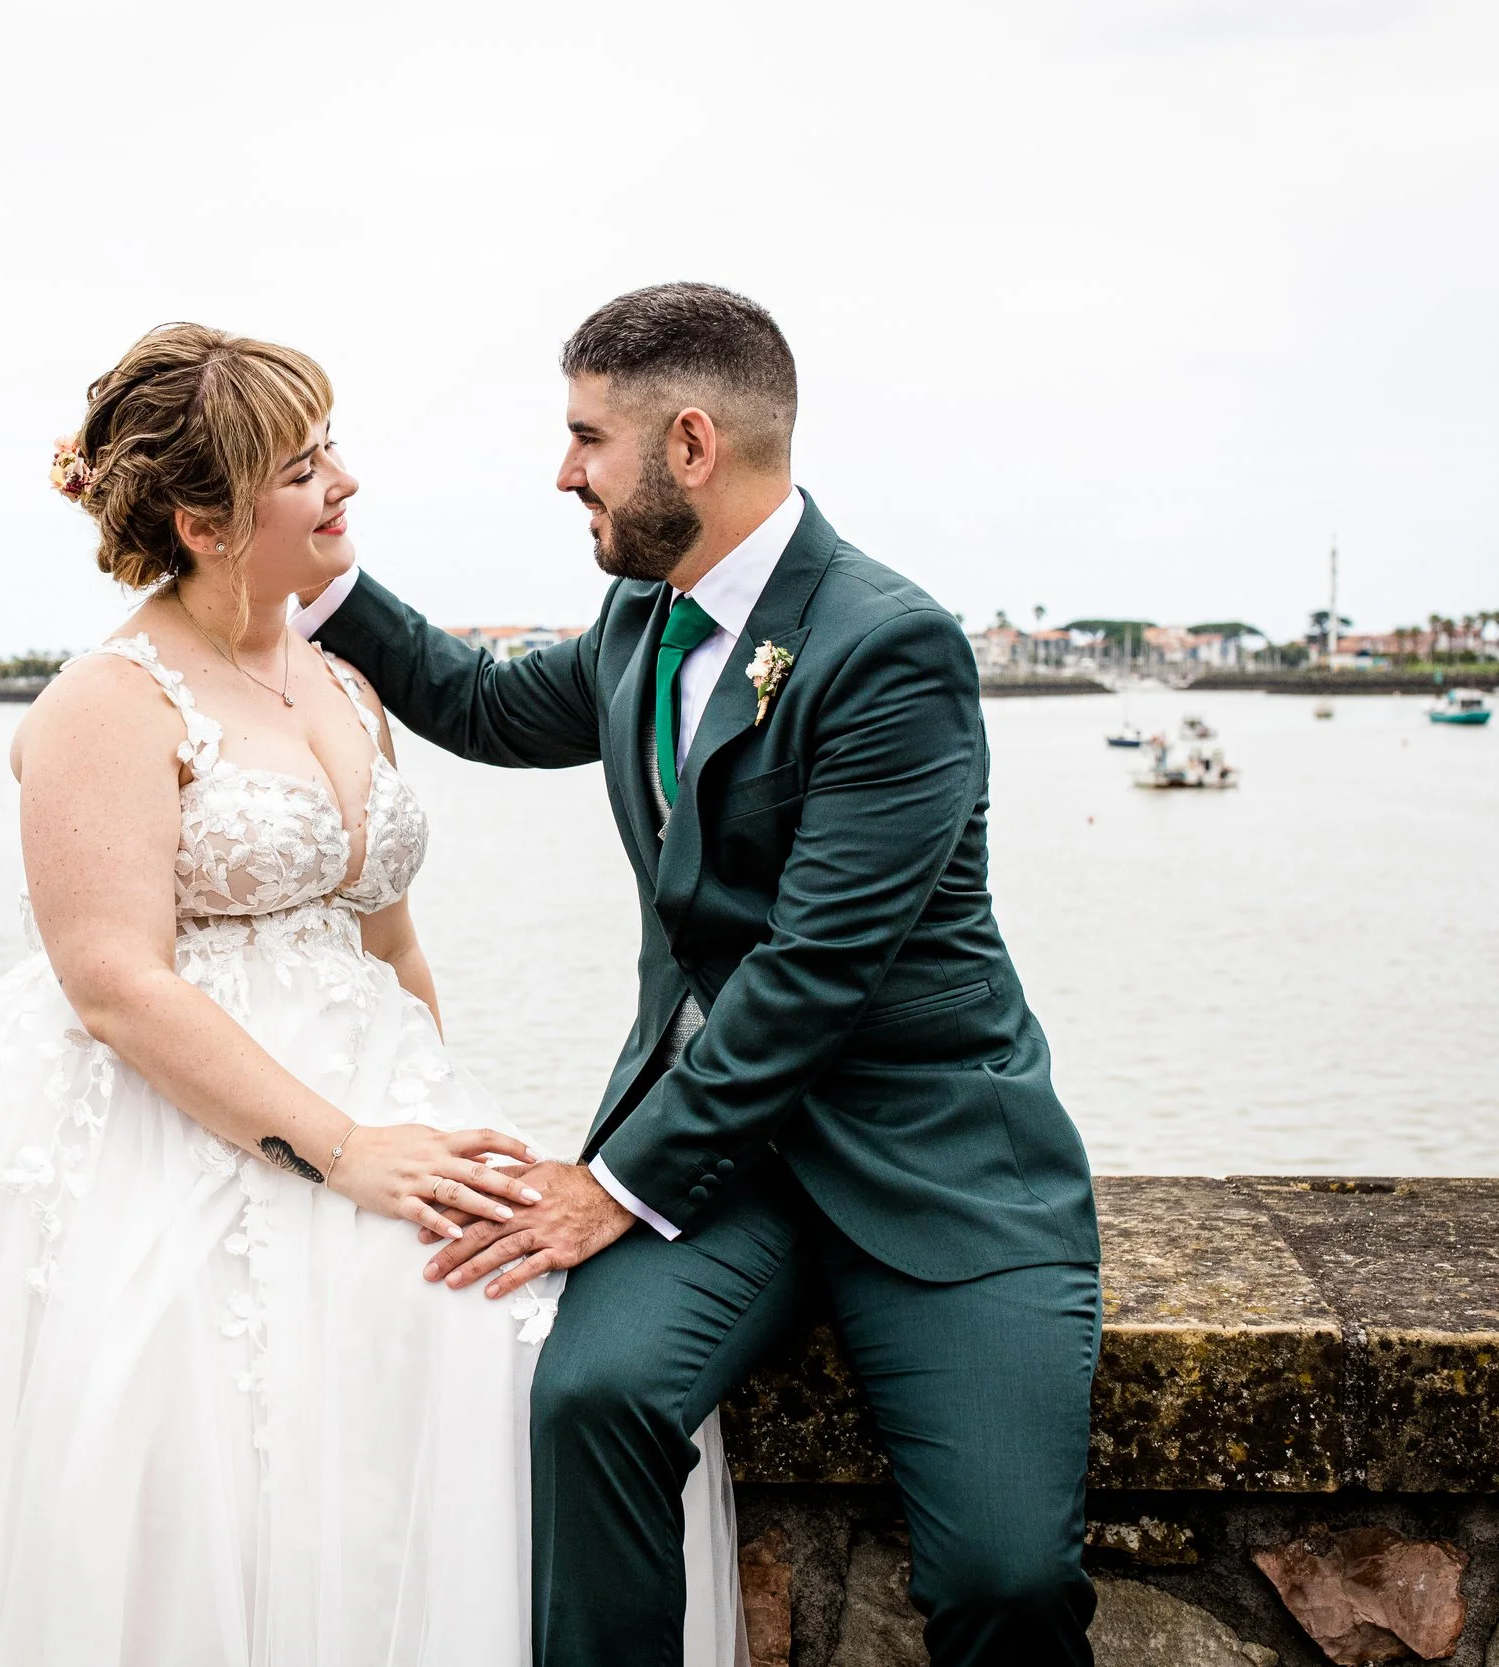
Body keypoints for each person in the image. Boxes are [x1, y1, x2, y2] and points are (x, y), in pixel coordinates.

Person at [0, 323, 745, 1666]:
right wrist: (348, 1153)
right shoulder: (108, 701)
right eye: (299, 467)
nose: (341, 485)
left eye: (331, 448)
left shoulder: (344, 679)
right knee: (212, 1466)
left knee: (509, 1349)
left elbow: (389, 940)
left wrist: (425, 1103)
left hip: (381, 1106)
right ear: (202, 519)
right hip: (169, 1127)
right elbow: (111, 982)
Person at [293, 282, 1104, 1667]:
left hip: (931, 1156)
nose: (564, 473)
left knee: (1005, 1573)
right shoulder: (643, 624)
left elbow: (813, 972)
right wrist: (322, 583)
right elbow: (485, 705)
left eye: (584, 440)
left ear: (687, 445)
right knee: (590, 1397)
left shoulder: (885, 645)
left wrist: (606, 1185)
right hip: (733, 1168)